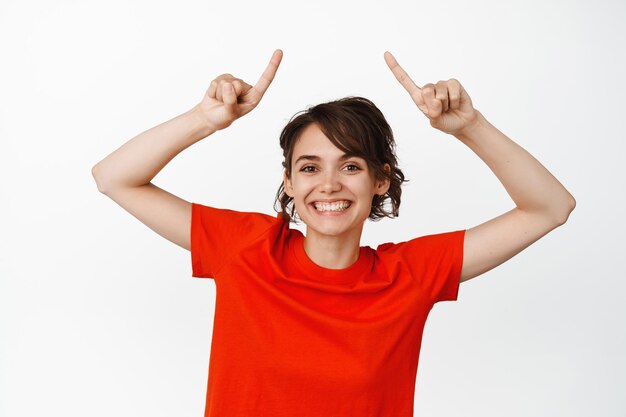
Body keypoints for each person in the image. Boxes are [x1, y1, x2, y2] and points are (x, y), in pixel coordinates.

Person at [92, 49, 575, 417]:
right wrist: (204, 119)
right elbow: (114, 177)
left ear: (380, 180)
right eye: (309, 167)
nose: (328, 184)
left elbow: (550, 208)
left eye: (350, 165)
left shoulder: (409, 275)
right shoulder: (245, 248)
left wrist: (469, 126)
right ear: (289, 182)